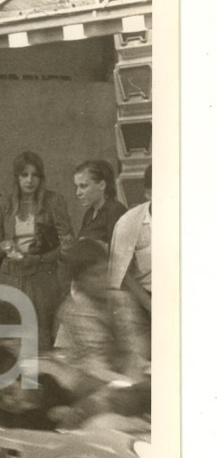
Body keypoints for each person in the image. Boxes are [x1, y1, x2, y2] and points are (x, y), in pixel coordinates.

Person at [0, 151, 74, 350]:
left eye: (35, 175)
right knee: (3, 340)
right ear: (16, 177)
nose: (30, 180)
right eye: (24, 175)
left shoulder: (54, 201)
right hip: (9, 278)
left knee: (40, 340)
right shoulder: (3, 204)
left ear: (41, 177)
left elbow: (67, 246)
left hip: (42, 279)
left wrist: (39, 259)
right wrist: (5, 246)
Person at [57, 239, 149, 387]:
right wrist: (131, 385)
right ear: (79, 281)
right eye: (94, 275)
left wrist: (136, 377)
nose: (103, 279)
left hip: (124, 373)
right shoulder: (74, 311)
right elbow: (94, 364)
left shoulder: (122, 299)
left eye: (105, 271)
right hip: (89, 379)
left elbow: (134, 346)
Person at [0, 342, 71, 430]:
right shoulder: (6, 415)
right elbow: (24, 429)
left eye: (10, 392)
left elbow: (69, 398)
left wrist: (67, 408)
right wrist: (48, 415)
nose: (7, 401)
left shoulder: (47, 382)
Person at [108, 164, 151, 319]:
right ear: (148, 193)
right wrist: (152, 308)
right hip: (144, 300)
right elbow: (122, 274)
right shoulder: (129, 222)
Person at [74, 160, 127, 245]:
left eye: (83, 186)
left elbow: (120, 252)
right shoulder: (89, 214)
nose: (78, 193)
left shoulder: (115, 211)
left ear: (102, 185)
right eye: (77, 186)